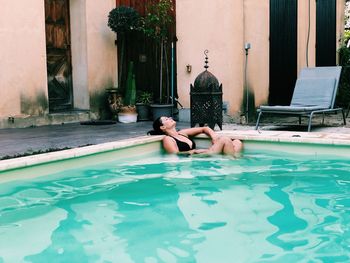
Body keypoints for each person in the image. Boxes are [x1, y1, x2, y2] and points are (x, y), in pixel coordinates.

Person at [149, 116, 243, 156]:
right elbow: (175, 154)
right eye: (166, 119)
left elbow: (204, 128)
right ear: (163, 127)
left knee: (237, 142)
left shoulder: (182, 133)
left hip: (204, 153)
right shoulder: (168, 139)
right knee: (225, 140)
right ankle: (232, 162)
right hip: (196, 157)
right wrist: (193, 151)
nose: (170, 118)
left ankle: (229, 159)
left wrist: (214, 136)